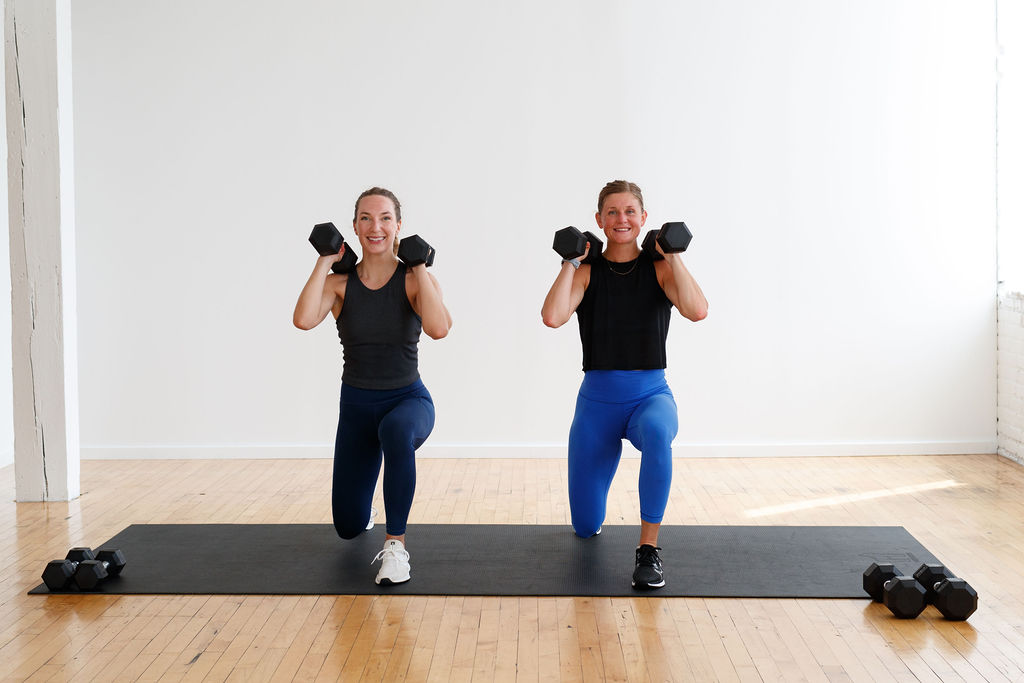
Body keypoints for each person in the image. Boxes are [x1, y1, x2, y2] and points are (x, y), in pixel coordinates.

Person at [541, 179, 708, 589]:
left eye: (630, 211)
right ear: (598, 220)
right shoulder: (586, 273)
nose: (621, 220)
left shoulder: (660, 269)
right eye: (612, 212)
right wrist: (570, 262)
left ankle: (648, 550)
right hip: (596, 405)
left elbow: (698, 310)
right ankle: (592, 516)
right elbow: (553, 317)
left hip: (649, 396)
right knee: (584, 525)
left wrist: (674, 255)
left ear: (644, 219)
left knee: (656, 432)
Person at [293, 187, 452, 585]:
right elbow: (303, 320)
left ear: (399, 225)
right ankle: (363, 511)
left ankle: (396, 547)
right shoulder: (339, 284)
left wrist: (417, 269)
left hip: (408, 401)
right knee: (347, 526)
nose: (375, 227)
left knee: (396, 431)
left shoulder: (418, 280)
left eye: (384, 218)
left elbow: (439, 329)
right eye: (366, 218)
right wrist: (325, 260)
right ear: (354, 227)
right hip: (357, 409)